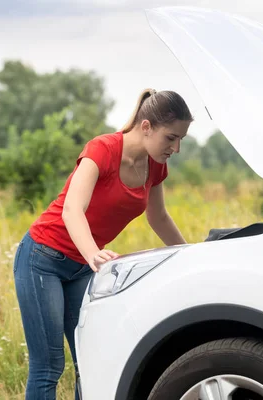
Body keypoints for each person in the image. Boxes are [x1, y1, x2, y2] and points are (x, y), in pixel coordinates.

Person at [13, 88, 194, 399]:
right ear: (147, 127)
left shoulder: (155, 166)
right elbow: (72, 209)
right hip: (42, 258)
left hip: (83, 267)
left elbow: (159, 218)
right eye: (170, 138)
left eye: (181, 140)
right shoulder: (102, 150)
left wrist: (191, 256)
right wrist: (93, 254)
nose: (175, 148)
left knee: (90, 361)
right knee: (49, 365)